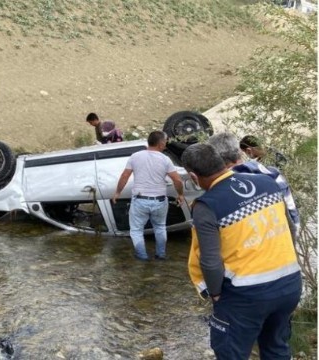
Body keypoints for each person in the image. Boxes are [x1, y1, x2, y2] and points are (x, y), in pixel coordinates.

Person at [181, 143, 301, 360]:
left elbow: (210, 260)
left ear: (193, 176)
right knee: (276, 347)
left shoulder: (206, 205)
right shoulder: (267, 182)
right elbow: (290, 229)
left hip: (245, 296)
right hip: (289, 285)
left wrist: (216, 293)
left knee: (230, 352)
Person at [208, 132, 300, 239]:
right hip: (284, 237)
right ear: (238, 152)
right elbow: (291, 211)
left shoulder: (219, 192)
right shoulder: (271, 172)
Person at [111, 131, 184, 260]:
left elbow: (124, 176)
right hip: (160, 201)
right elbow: (177, 180)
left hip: (140, 200)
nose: (166, 145)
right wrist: (180, 194)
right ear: (161, 144)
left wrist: (117, 193)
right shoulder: (165, 159)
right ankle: (160, 255)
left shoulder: (135, 156)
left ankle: (142, 257)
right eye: (165, 142)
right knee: (160, 227)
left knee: (137, 231)